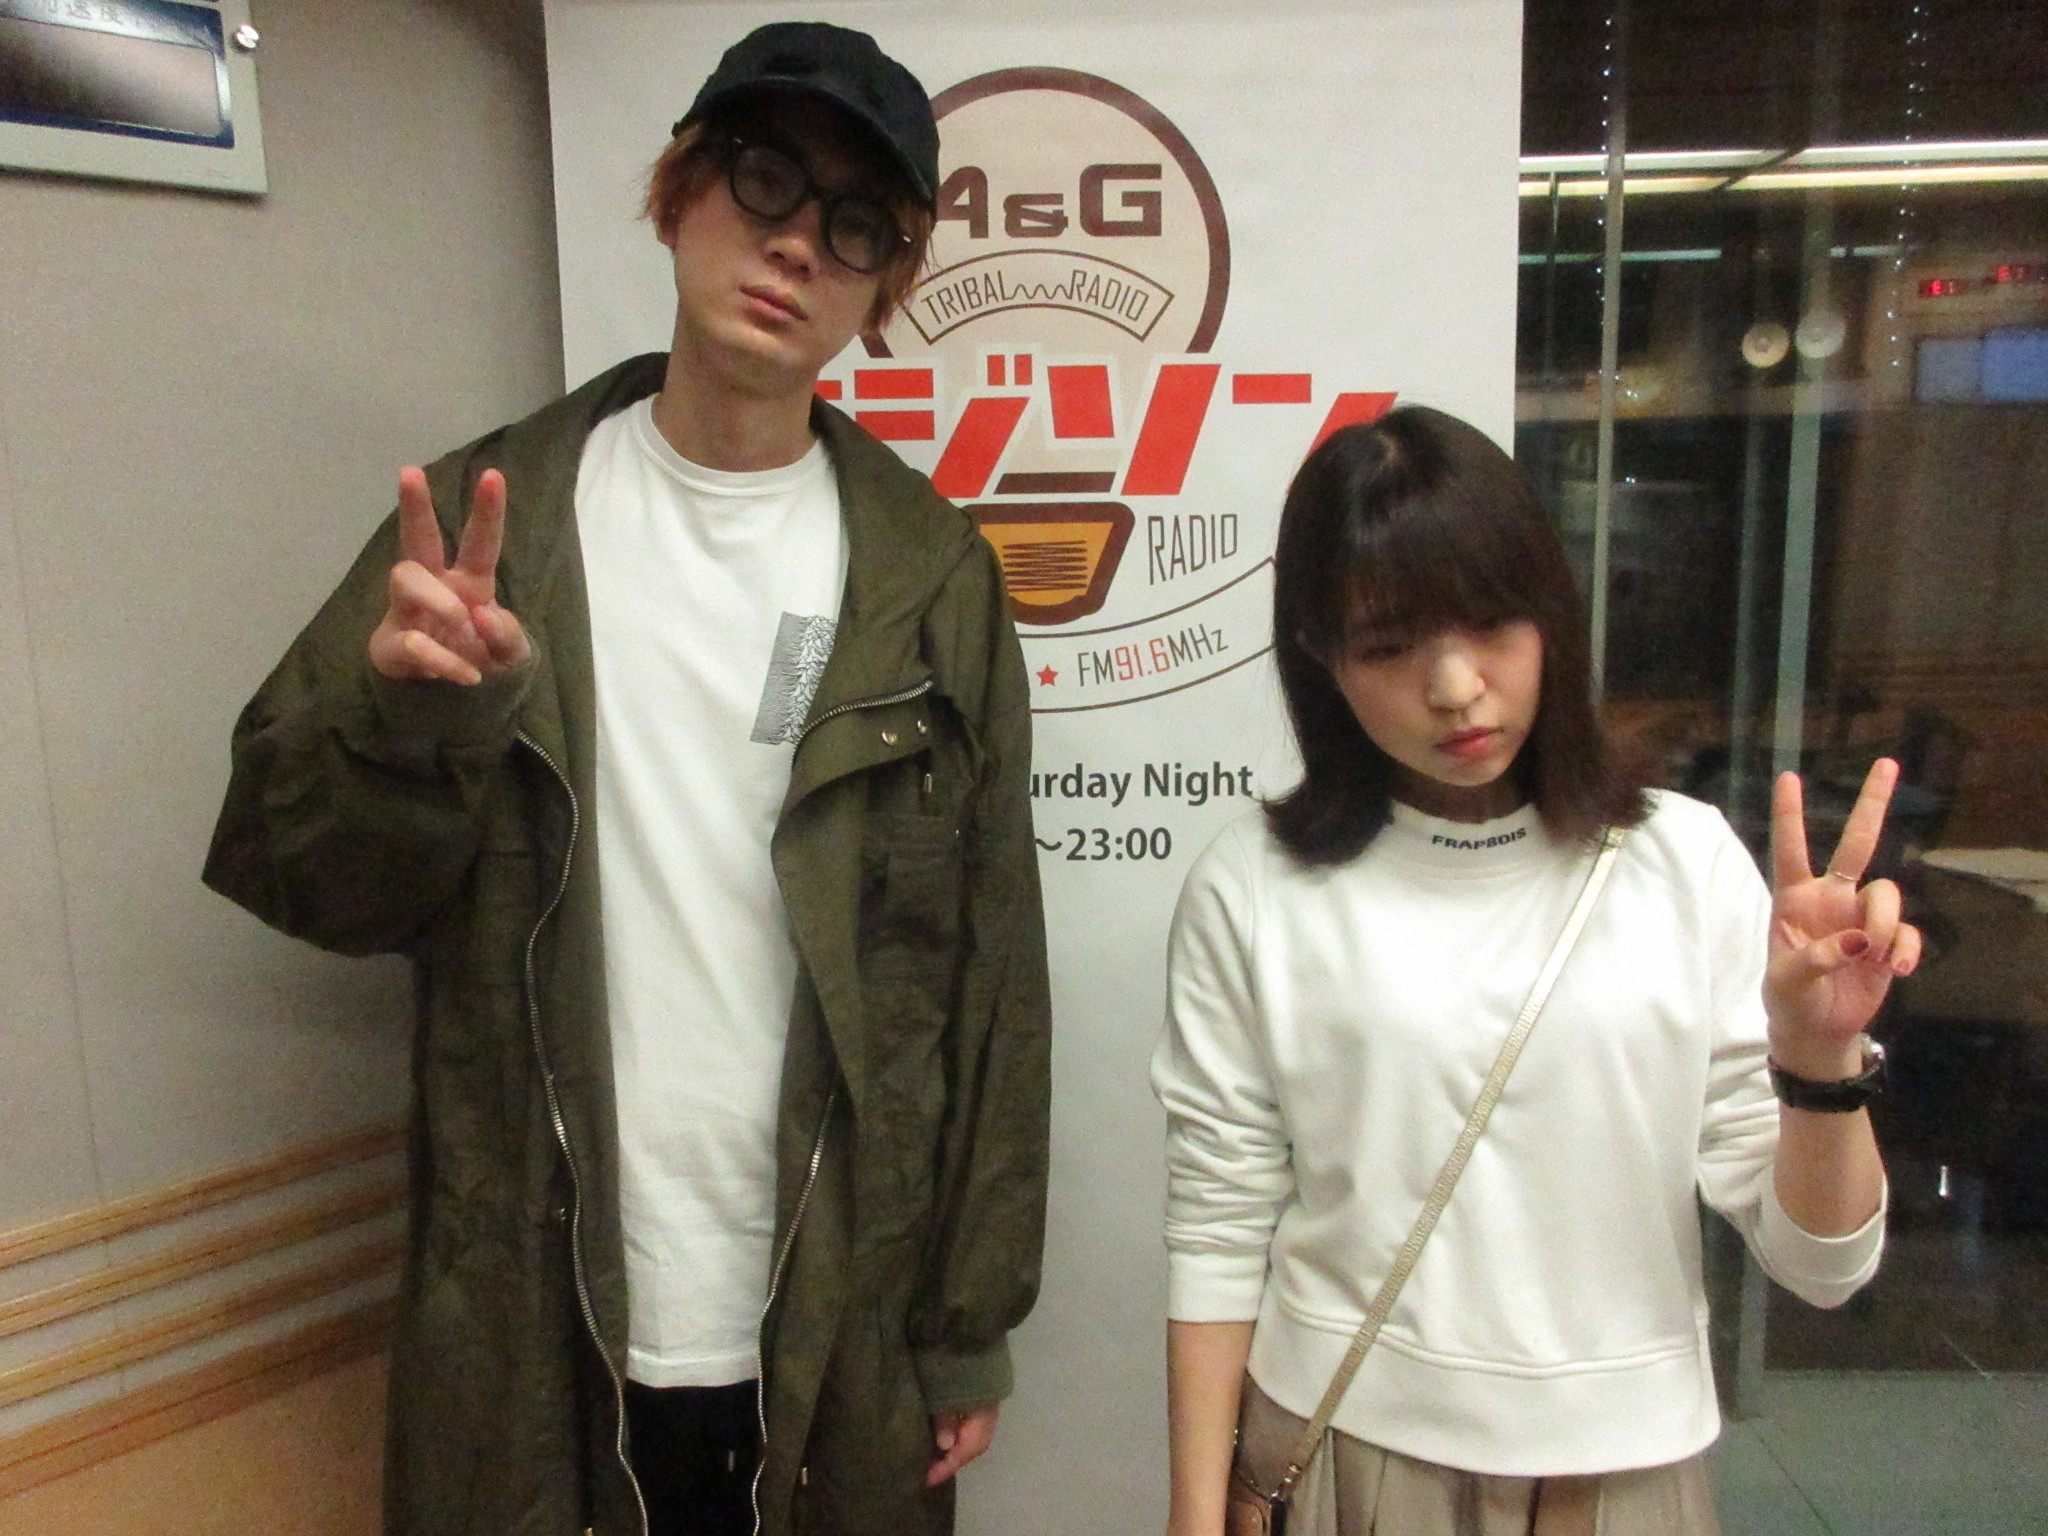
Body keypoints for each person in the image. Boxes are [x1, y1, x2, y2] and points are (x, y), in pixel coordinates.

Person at [204, 22, 1050, 1536]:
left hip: (834, 1315)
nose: (797, 244)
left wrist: (965, 1319)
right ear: (677, 192)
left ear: (885, 286)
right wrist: (414, 722)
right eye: (764, 178)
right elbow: (306, 883)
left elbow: (989, 972)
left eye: (857, 224)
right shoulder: (489, 531)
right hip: (532, 1301)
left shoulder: (929, 579)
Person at [1152, 406, 1911, 1536]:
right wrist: (1192, 1515)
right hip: (1350, 1450)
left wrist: (1818, 1063)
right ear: (1321, 658)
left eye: (1490, 622)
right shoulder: (1254, 885)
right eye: (1388, 646)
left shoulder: (1683, 861)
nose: (1456, 686)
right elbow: (1218, 1225)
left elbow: (1823, 1267)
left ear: (1551, 611)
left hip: (1630, 1470)